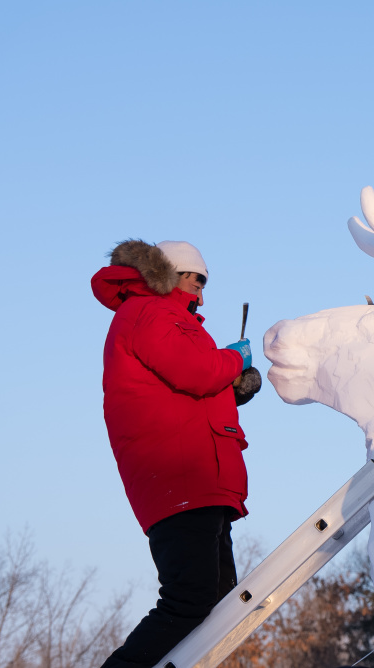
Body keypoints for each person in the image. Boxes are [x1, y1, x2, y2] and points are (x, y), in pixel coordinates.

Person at [91, 239, 260, 667]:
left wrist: (231, 389)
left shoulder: (163, 319)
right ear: (173, 274)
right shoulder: (150, 311)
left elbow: (184, 388)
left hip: (197, 478)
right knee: (190, 601)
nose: (202, 294)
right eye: (197, 280)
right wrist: (232, 361)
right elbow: (196, 372)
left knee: (218, 608)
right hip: (181, 475)